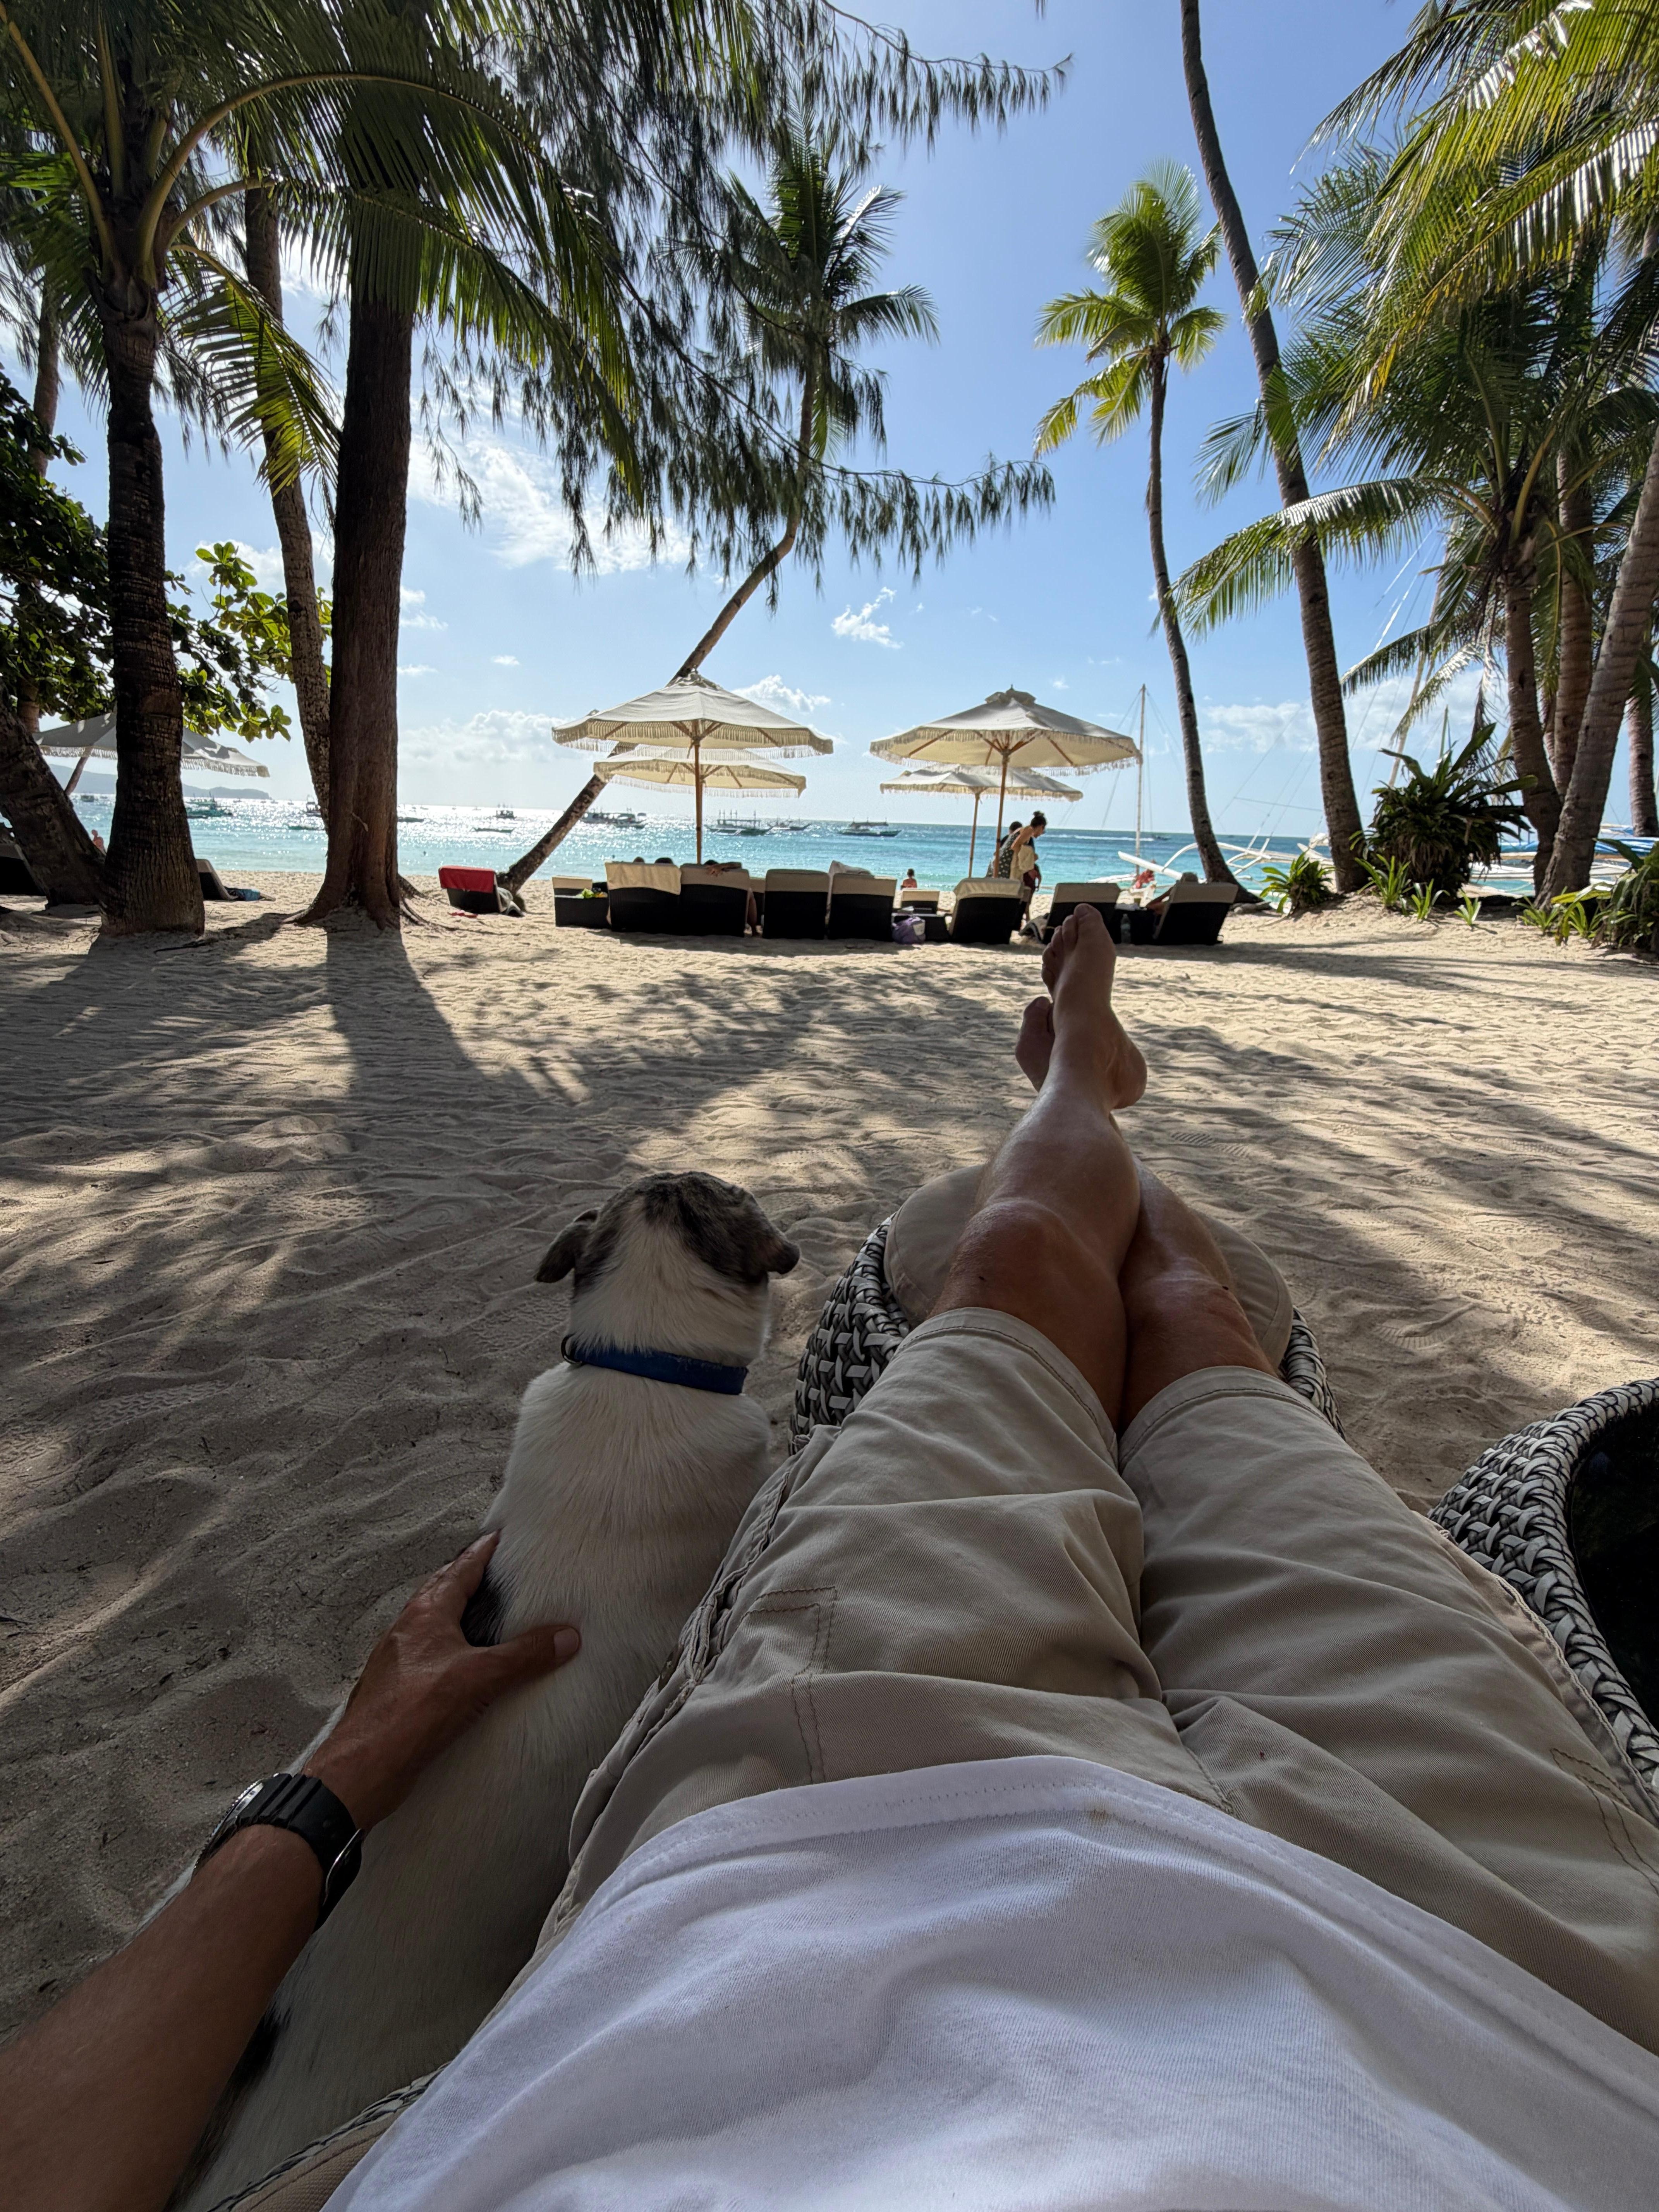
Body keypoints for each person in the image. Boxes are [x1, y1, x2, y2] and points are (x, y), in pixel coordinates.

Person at [7, 908, 1659, 2210]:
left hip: (831, 1843)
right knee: (1186, 1329)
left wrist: (336, 1777)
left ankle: (1081, 1097)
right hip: (1550, 2008)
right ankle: (1082, 1092)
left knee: (1020, 1274)